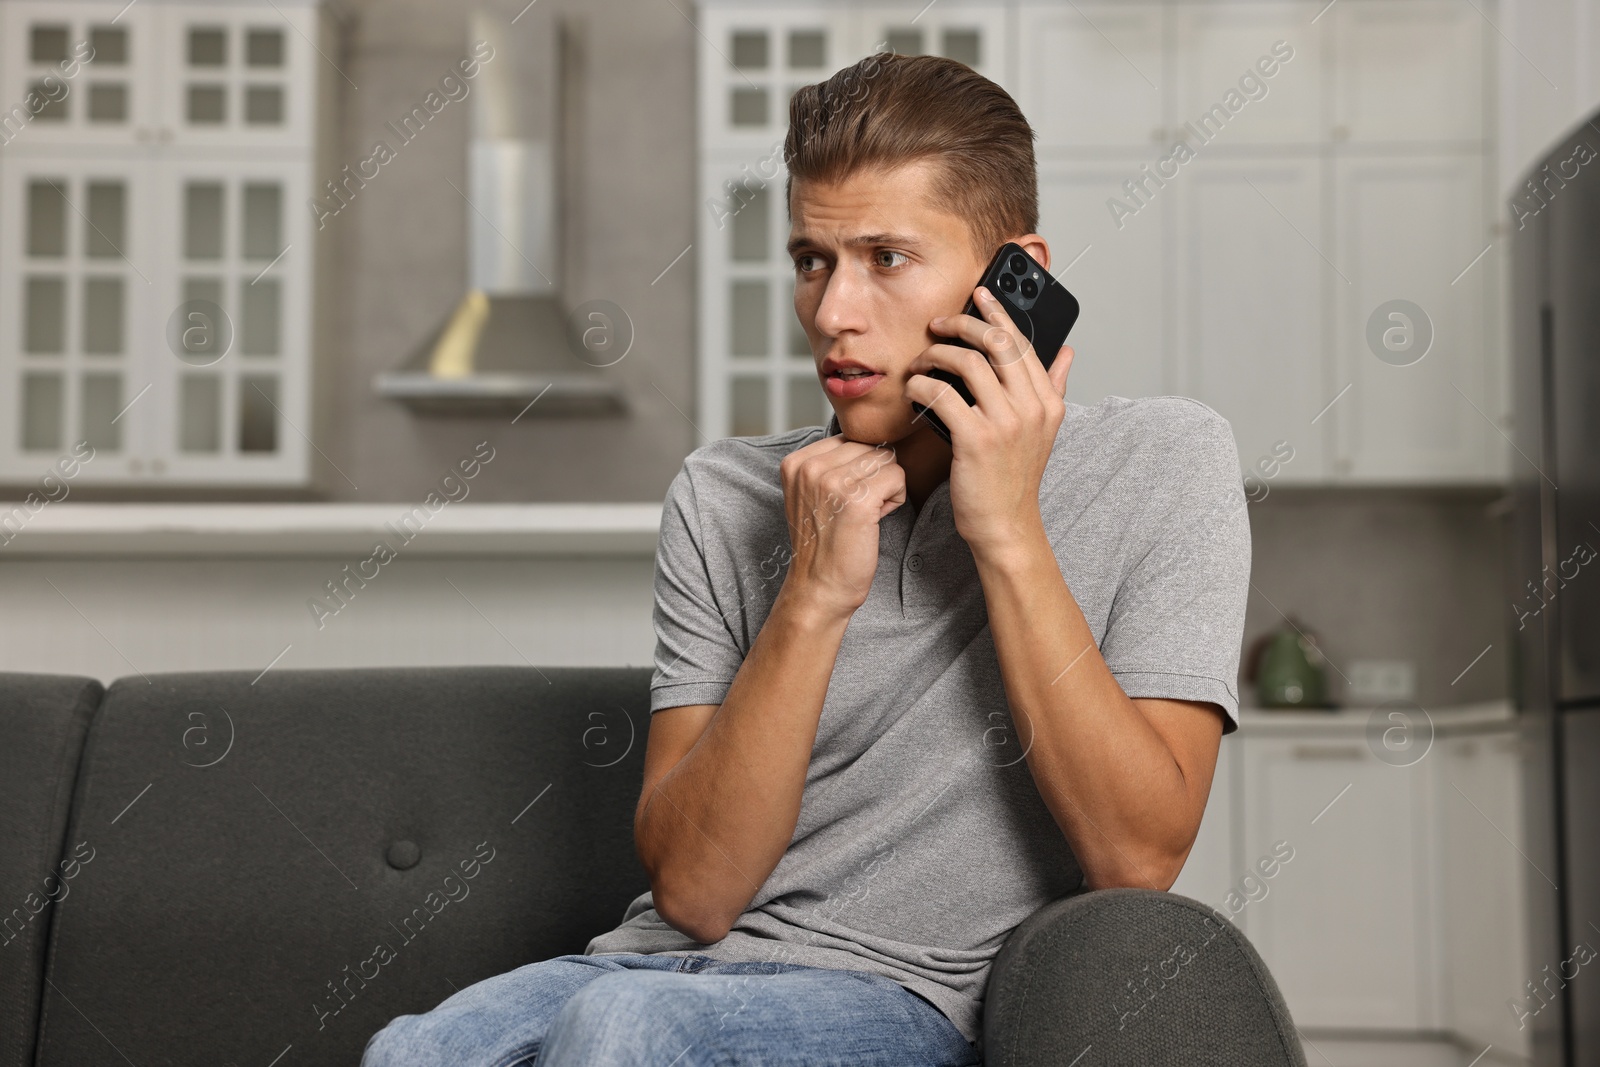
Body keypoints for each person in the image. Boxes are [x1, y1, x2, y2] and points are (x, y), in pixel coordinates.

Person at [362, 49, 1250, 1067]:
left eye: (886, 257)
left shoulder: (1164, 461)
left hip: (898, 995)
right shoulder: (724, 494)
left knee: (623, 1030)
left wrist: (1005, 525)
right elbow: (695, 893)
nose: (832, 313)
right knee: (414, 1049)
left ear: (1017, 280)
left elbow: (1134, 856)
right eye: (811, 259)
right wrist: (812, 596)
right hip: (650, 968)